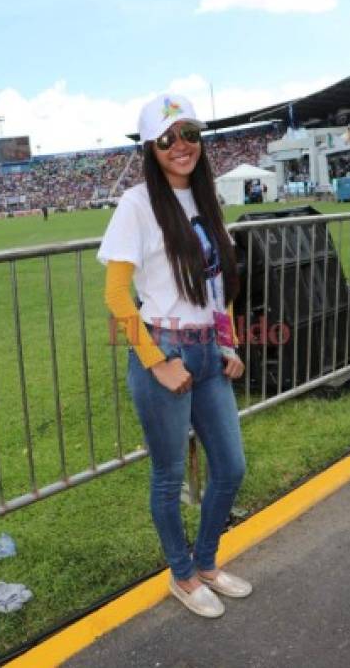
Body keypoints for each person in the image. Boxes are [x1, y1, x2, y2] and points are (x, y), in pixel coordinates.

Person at [97, 93, 251, 618]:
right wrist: (155, 361)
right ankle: (182, 576)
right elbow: (117, 295)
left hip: (209, 352)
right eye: (167, 138)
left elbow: (219, 284)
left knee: (230, 467)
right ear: (150, 147)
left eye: (189, 133)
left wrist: (227, 340)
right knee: (168, 475)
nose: (180, 146)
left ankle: (205, 564)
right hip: (164, 349)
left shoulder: (207, 201)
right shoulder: (137, 205)